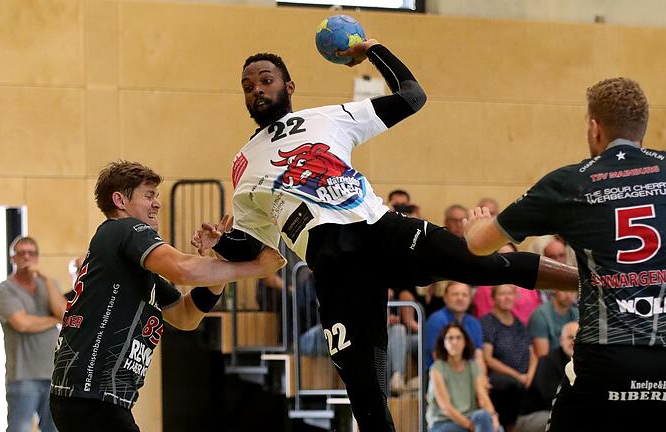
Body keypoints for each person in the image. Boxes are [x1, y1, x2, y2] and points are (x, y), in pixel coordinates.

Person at [194, 39, 579, 432]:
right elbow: (253, 246)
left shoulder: (329, 118)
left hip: (381, 230)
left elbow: (412, 96)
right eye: (248, 85)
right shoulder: (242, 164)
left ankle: (597, 282)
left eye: (266, 80)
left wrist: (374, 50)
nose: (257, 89)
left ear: (288, 87)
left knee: (485, 263)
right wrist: (219, 243)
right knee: (366, 398)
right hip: (333, 267)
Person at [463, 77, 666, 431]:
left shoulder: (569, 183)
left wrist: (476, 225)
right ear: (644, 126)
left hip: (610, 356)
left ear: (595, 128)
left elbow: (479, 245)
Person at [49, 161, 285, 432]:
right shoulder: (123, 229)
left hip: (89, 399)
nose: (157, 204)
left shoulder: (132, 267)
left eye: (157, 196)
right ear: (120, 200)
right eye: (148, 195)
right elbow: (183, 269)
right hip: (91, 397)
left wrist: (222, 260)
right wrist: (256, 268)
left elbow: (186, 317)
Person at [0, 236, 66, 432]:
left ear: (37, 257)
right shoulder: (6, 289)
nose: (27, 257)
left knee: (53, 429)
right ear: (13, 259)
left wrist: (44, 278)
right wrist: (53, 320)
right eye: (21, 253)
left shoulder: (48, 284)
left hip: (53, 374)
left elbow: (63, 314)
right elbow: (23, 324)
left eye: (32, 253)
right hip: (23, 376)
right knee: (19, 429)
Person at [480, 284, 536, 432]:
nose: (507, 298)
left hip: (524, 376)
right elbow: (488, 358)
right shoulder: (487, 322)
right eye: (502, 294)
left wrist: (530, 375)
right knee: (511, 385)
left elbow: (532, 352)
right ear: (493, 298)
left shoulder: (518, 323)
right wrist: (517, 376)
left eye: (510, 294)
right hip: (502, 378)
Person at [427, 323, 501, 432]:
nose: (455, 342)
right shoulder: (436, 369)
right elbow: (445, 407)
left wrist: (494, 417)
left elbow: (483, 397)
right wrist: (470, 426)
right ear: (443, 343)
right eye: (450, 338)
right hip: (444, 421)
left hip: (471, 417)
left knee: (488, 419)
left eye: (458, 338)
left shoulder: (473, 366)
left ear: (465, 342)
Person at [516, 321, 579, 432]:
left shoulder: (583, 363)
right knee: (568, 419)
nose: (574, 342)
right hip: (531, 418)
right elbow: (551, 400)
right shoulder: (548, 362)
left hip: (560, 413)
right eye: (570, 337)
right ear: (561, 341)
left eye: (577, 338)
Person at [425, 282, 485, 371]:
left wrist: (481, 378)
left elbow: (479, 356)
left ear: (470, 300)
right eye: (455, 294)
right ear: (445, 298)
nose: (460, 298)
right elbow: (438, 357)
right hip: (440, 374)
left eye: (464, 295)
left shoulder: (473, 322)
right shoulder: (436, 320)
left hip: (469, 374)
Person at [527, 289, 578, 358]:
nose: (568, 295)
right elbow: (543, 358)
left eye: (572, 291)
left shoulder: (577, 313)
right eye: (564, 290)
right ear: (555, 289)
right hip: (552, 365)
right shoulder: (540, 316)